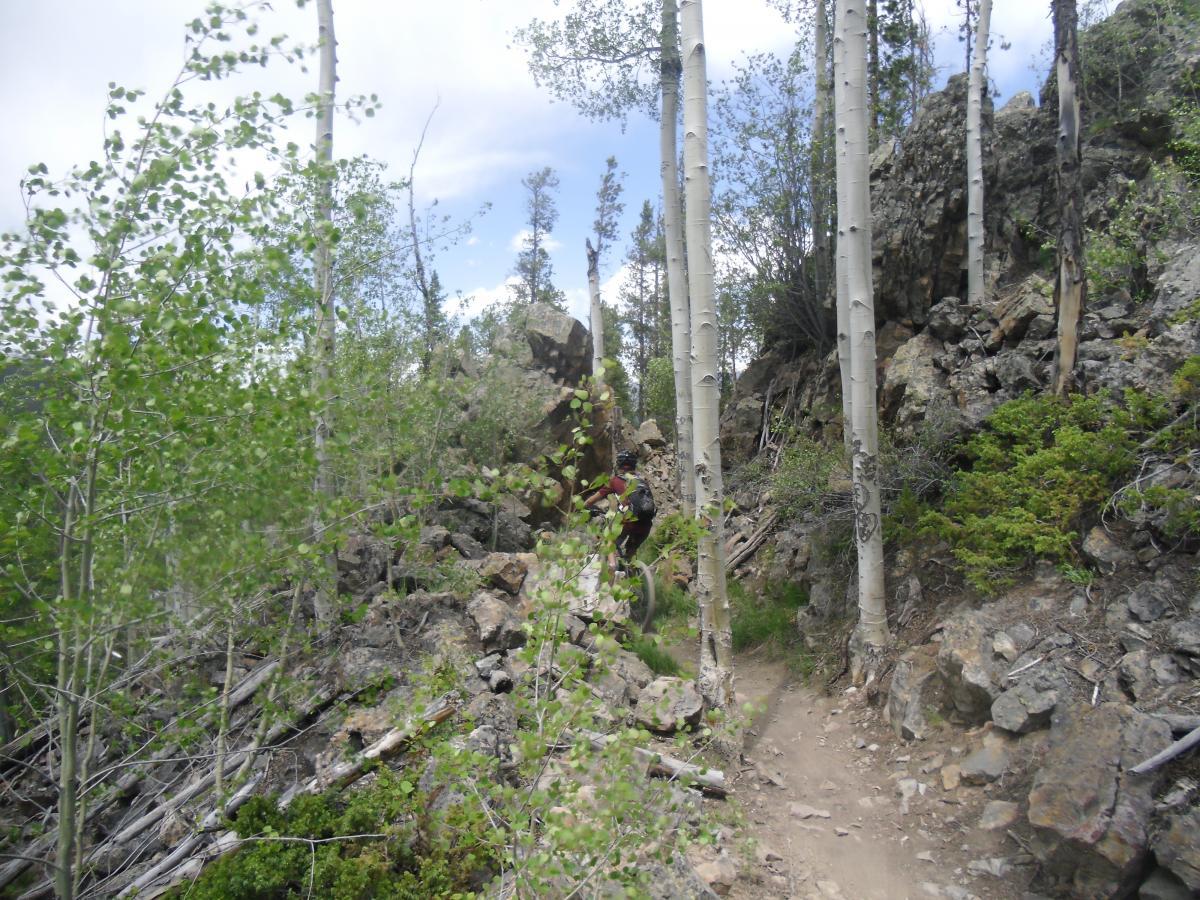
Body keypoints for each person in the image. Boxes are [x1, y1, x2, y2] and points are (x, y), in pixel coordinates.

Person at [583, 449, 655, 572]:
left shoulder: (615, 481)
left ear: (619, 465)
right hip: (645, 524)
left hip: (627, 522)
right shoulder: (642, 482)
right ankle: (632, 575)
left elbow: (591, 501)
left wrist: (583, 506)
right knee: (631, 551)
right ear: (634, 465)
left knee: (608, 539)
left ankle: (612, 566)